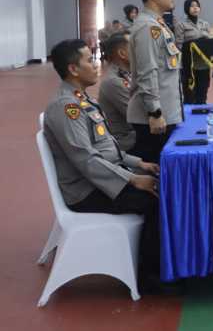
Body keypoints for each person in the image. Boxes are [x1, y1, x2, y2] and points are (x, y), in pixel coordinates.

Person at [42, 39, 172, 294]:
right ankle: (151, 278)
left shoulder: (81, 100)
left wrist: (139, 164)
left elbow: (106, 149)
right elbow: (87, 161)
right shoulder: (66, 107)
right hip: (86, 191)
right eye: (89, 60)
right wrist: (133, 179)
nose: (96, 64)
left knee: (163, 183)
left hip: (103, 179)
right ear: (73, 69)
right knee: (158, 200)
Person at [126, 0, 182, 164]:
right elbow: (147, 72)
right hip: (154, 120)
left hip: (165, 115)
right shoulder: (148, 28)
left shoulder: (158, 24)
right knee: (156, 177)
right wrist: (155, 113)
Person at [98, 33, 136, 152]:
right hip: (127, 143)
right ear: (122, 54)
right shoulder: (113, 81)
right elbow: (138, 117)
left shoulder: (129, 74)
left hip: (136, 135)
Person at [175, 0, 212, 104]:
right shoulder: (181, 25)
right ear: (187, 8)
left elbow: (209, 43)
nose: (195, 8)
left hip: (204, 64)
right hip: (189, 65)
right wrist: (192, 47)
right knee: (189, 94)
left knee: (203, 91)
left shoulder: (205, 24)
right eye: (192, 6)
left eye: (197, 6)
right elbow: (178, 45)